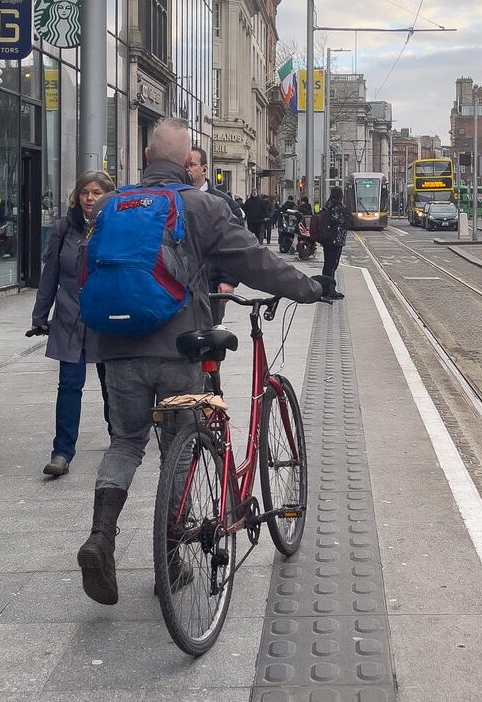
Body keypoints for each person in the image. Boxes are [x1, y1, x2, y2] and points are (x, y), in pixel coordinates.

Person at [77, 119, 330, 606]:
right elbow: (253, 261)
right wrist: (310, 286)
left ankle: (102, 535)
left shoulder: (111, 206)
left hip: (117, 347)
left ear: (148, 157)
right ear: (186, 161)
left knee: (125, 442)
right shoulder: (200, 205)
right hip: (178, 348)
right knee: (183, 448)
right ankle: (170, 560)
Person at [29, 171, 116, 478]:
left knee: (111, 385)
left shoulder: (115, 226)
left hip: (104, 318)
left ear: (106, 195)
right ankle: (62, 452)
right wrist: (40, 315)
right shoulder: (64, 228)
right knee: (68, 385)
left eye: (96, 193)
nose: (90, 198)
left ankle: (119, 436)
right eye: (84, 193)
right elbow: (50, 274)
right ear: (77, 196)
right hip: (69, 317)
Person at [186, 146, 244, 325]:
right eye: (184, 165)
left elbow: (236, 244)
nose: (186, 169)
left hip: (211, 286)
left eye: (192, 165)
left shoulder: (222, 203)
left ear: (204, 169)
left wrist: (228, 279)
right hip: (181, 287)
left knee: (212, 338)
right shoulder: (176, 197)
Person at [314, 186, 349, 299]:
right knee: (332, 265)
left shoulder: (327, 206)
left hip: (326, 240)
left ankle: (325, 288)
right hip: (336, 241)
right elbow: (349, 221)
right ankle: (329, 290)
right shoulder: (338, 208)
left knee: (327, 264)